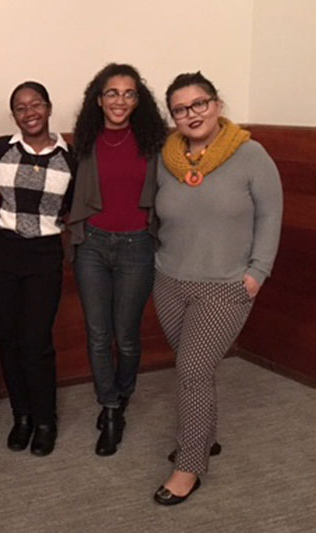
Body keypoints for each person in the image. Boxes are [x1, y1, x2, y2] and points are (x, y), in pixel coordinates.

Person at [152, 72, 282, 505]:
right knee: (197, 371)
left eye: (199, 103)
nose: (192, 114)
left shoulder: (250, 155)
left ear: (217, 104)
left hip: (225, 287)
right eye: (181, 108)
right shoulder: (167, 156)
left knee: (190, 371)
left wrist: (257, 272)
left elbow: (270, 216)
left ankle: (189, 466)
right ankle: (203, 435)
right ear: (173, 116)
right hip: (170, 280)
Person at [68, 63, 167, 456]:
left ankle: (123, 393)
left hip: (137, 246)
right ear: (99, 99)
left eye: (128, 93)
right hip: (91, 244)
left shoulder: (154, 143)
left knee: (126, 336)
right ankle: (109, 407)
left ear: (138, 100)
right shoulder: (85, 140)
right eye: (112, 93)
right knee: (97, 334)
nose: (120, 101)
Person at [0, 81, 75, 456]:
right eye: (21, 107)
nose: (29, 112)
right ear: (13, 116)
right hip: (2, 253)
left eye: (36, 104)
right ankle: (20, 416)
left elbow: (74, 206)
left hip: (44, 256)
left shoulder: (71, 157)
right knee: (8, 338)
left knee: (36, 341)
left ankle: (45, 419)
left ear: (49, 108)